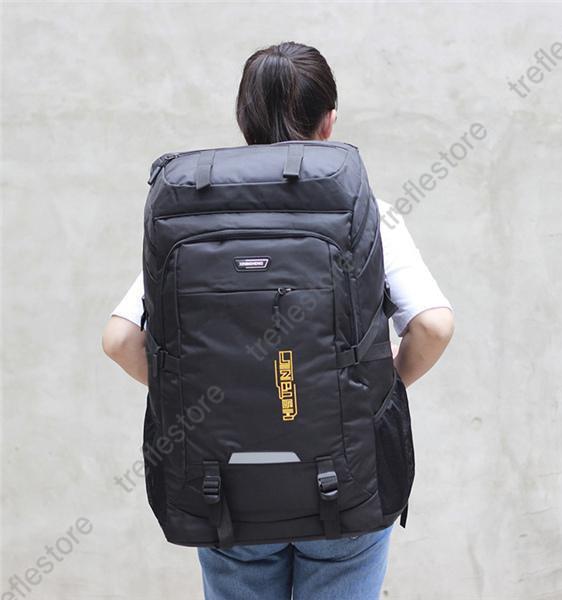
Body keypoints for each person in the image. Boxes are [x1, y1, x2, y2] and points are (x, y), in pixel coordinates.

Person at [102, 41, 454, 600]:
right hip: (347, 475)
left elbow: (120, 340)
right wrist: (365, 394)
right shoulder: (365, 209)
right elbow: (432, 326)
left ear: (243, 121)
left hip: (223, 485)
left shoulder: (194, 212)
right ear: (328, 121)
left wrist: (214, 397)